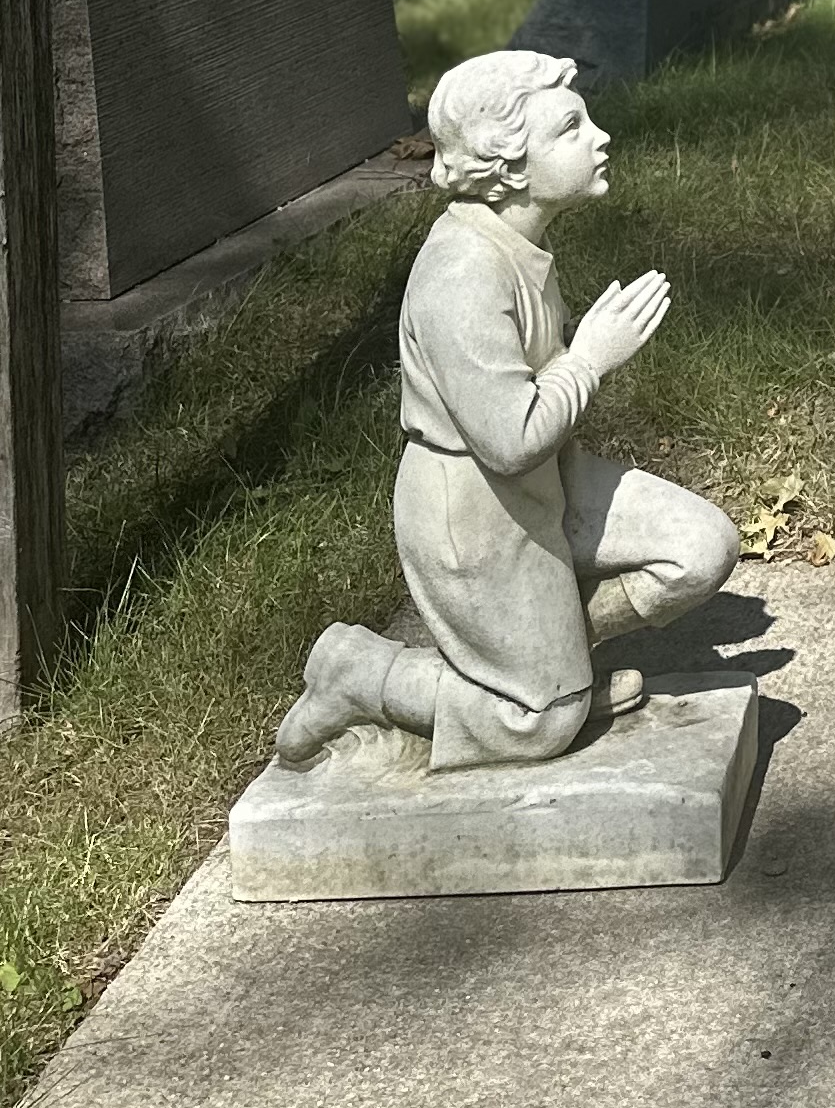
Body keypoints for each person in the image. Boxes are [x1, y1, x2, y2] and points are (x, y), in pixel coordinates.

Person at [275, 49, 738, 772]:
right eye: (570, 128)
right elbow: (510, 439)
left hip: (546, 476)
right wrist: (591, 357)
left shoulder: (519, 240)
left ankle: (555, 659)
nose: (600, 137)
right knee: (538, 723)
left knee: (700, 549)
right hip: (473, 512)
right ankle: (361, 671)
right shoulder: (463, 275)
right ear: (508, 166)